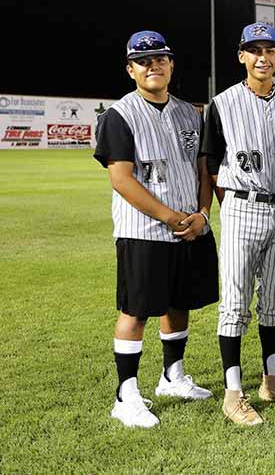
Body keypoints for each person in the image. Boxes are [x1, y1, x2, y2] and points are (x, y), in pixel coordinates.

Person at [94, 30, 219, 428]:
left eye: (160, 59)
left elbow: (202, 169)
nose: (153, 66)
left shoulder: (189, 113)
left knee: (178, 303)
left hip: (189, 227)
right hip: (143, 230)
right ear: (131, 69)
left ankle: (172, 376)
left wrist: (202, 212)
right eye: (144, 61)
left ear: (171, 65)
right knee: (136, 310)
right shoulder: (119, 115)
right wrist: (169, 216)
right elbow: (122, 179)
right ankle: (125, 393)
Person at [201, 23, 275, 426]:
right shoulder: (222, 102)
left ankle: (273, 381)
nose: (262, 57)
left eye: (270, 50)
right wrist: (228, 207)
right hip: (241, 206)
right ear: (242, 56)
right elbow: (210, 162)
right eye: (254, 50)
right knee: (234, 304)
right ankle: (233, 393)